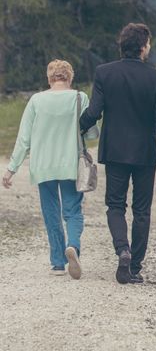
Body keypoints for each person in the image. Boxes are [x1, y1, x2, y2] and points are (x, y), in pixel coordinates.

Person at [79, 23, 156, 285]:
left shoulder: (104, 73)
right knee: (142, 210)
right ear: (144, 47)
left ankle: (122, 249)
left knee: (115, 205)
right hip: (145, 152)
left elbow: (94, 112)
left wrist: (75, 129)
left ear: (121, 46)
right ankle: (134, 266)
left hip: (114, 150)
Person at [2, 60, 98, 279]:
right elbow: (92, 134)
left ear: (49, 78)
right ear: (69, 77)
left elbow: (24, 138)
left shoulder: (36, 100)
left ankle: (57, 263)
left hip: (43, 165)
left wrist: (11, 169)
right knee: (73, 211)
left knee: (51, 212)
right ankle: (72, 246)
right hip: (70, 164)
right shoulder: (79, 98)